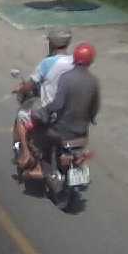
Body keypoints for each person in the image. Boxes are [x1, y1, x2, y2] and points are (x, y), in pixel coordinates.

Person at [29, 42, 101, 174]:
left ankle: (43, 169)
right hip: (81, 132)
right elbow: (95, 107)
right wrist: (91, 118)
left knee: (39, 138)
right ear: (91, 60)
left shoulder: (66, 78)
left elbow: (58, 104)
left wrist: (44, 111)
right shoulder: (93, 81)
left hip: (62, 131)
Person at [12, 28, 74, 171]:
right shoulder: (74, 62)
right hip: (70, 112)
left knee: (21, 116)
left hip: (50, 112)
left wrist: (21, 89)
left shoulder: (47, 63)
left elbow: (31, 84)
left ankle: (26, 154)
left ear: (51, 43)